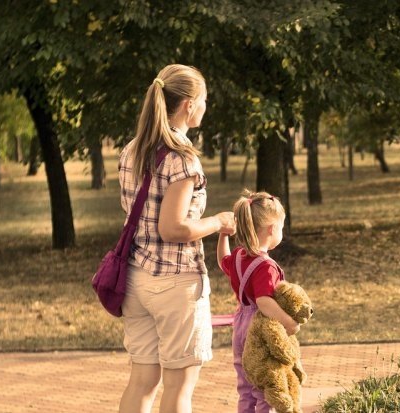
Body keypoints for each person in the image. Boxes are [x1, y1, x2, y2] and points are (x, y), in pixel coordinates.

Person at [117, 64, 236, 413]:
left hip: (136, 280)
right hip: (176, 283)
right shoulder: (183, 159)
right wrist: (217, 221)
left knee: (141, 382)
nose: (205, 107)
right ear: (187, 105)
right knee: (179, 387)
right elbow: (173, 229)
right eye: (203, 100)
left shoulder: (132, 150)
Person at [217, 190, 301, 413]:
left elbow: (221, 261)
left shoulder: (238, 256)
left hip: (240, 325)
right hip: (260, 328)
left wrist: (223, 235)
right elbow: (264, 301)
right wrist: (288, 321)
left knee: (245, 385)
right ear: (272, 229)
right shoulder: (266, 266)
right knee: (267, 384)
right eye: (281, 227)